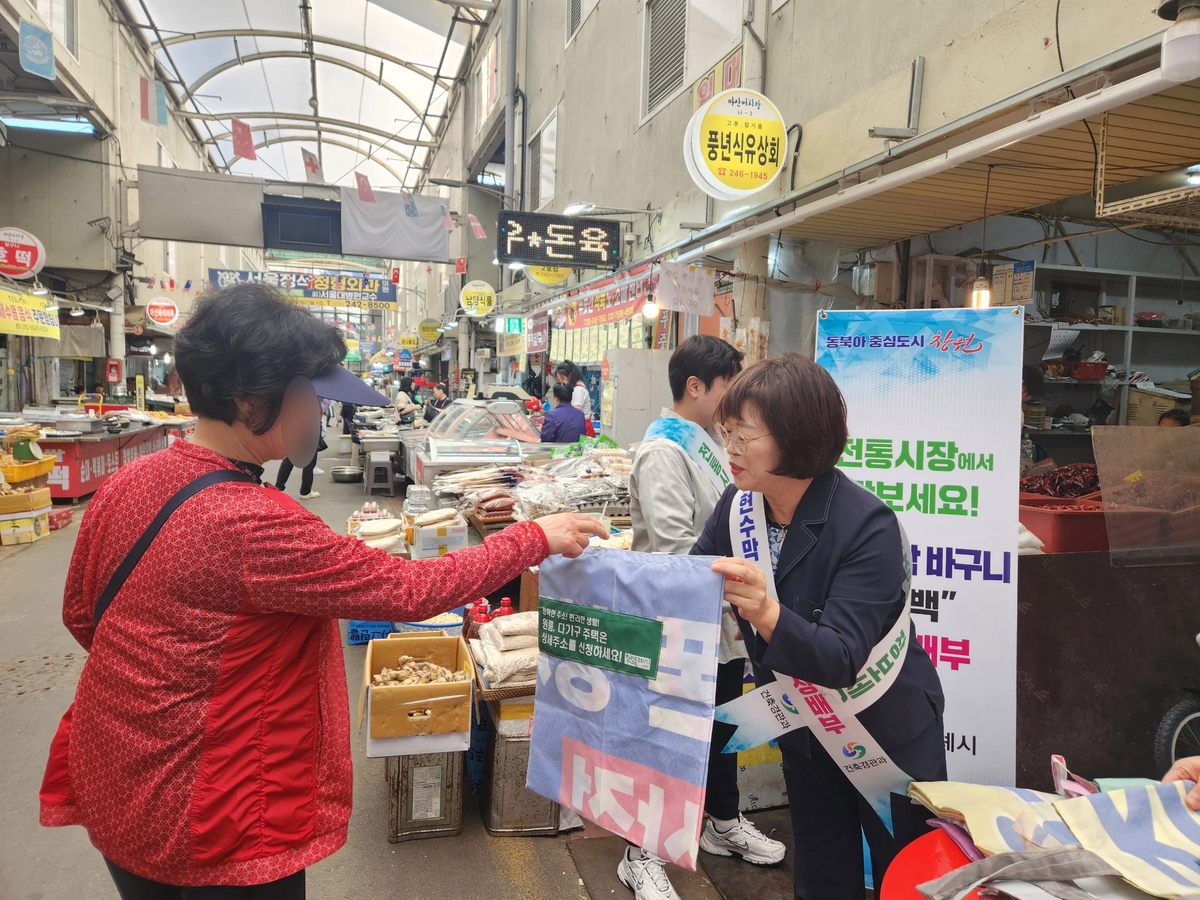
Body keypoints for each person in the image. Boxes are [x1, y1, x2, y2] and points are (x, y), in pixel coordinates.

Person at [38, 283, 606, 900]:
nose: (319, 410)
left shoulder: (131, 482)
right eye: (309, 392)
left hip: (116, 773)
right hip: (215, 810)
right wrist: (532, 538)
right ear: (252, 398)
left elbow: (83, 615)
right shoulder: (249, 521)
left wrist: (177, 669)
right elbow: (411, 590)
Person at [693, 353, 947, 900]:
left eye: (745, 435)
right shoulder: (738, 505)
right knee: (821, 871)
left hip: (884, 729)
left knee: (904, 874)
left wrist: (764, 612)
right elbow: (692, 577)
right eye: (726, 432)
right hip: (804, 726)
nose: (730, 449)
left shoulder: (868, 526)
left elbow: (838, 657)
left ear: (798, 436)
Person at [621, 335, 784, 900]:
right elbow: (671, 549)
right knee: (668, 734)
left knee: (720, 728)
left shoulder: (709, 442)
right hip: (681, 625)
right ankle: (639, 852)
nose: (735, 404)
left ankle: (721, 822)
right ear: (696, 387)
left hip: (725, 623)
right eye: (727, 390)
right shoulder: (665, 451)